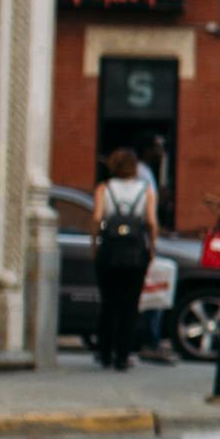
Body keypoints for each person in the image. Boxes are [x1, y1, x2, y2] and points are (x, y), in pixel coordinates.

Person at [89, 148, 159, 371]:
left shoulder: (104, 188)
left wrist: (95, 242)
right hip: (135, 252)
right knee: (130, 305)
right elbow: (151, 222)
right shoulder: (145, 190)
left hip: (110, 251)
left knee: (109, 302)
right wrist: (152, 246)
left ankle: (105, 352)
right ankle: (123, 354)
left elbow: (97, 218)